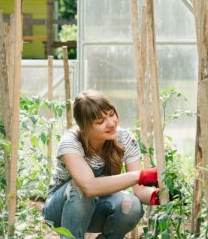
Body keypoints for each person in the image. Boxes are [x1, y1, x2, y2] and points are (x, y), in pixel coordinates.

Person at [42, 90, 160, 239]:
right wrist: (140, 175)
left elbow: (140, 191)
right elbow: (89, 187)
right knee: (79, 188)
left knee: (132, 205)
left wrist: (159, 195)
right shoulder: (71, 142)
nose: (111, 123)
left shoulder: (125, 139)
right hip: (59, 210)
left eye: (111, 114)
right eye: (100, 122)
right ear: (84, 127)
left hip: (97, 207)